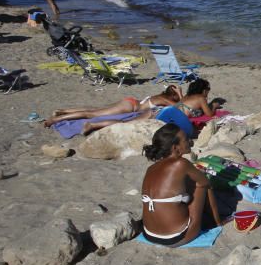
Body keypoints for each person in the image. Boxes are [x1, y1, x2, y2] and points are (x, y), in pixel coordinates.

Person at [140, 124, 211, 246]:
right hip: (175, 238)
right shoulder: (181, 163)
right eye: (185, 139)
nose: (189, 141)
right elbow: (205, 182)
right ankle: (217, 221)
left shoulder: (151, 168)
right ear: (175, 148)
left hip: (149, 234)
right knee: (202, 186)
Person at [44, 85, 182, 129]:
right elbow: (181, 107)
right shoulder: (165, 100)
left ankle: (61, 111)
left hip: (130, 101)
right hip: (130, 106)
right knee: (91, 114)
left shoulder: (160, 96)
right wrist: (180, 95)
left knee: (94, 109)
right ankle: (55, 120)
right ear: (173, 95)